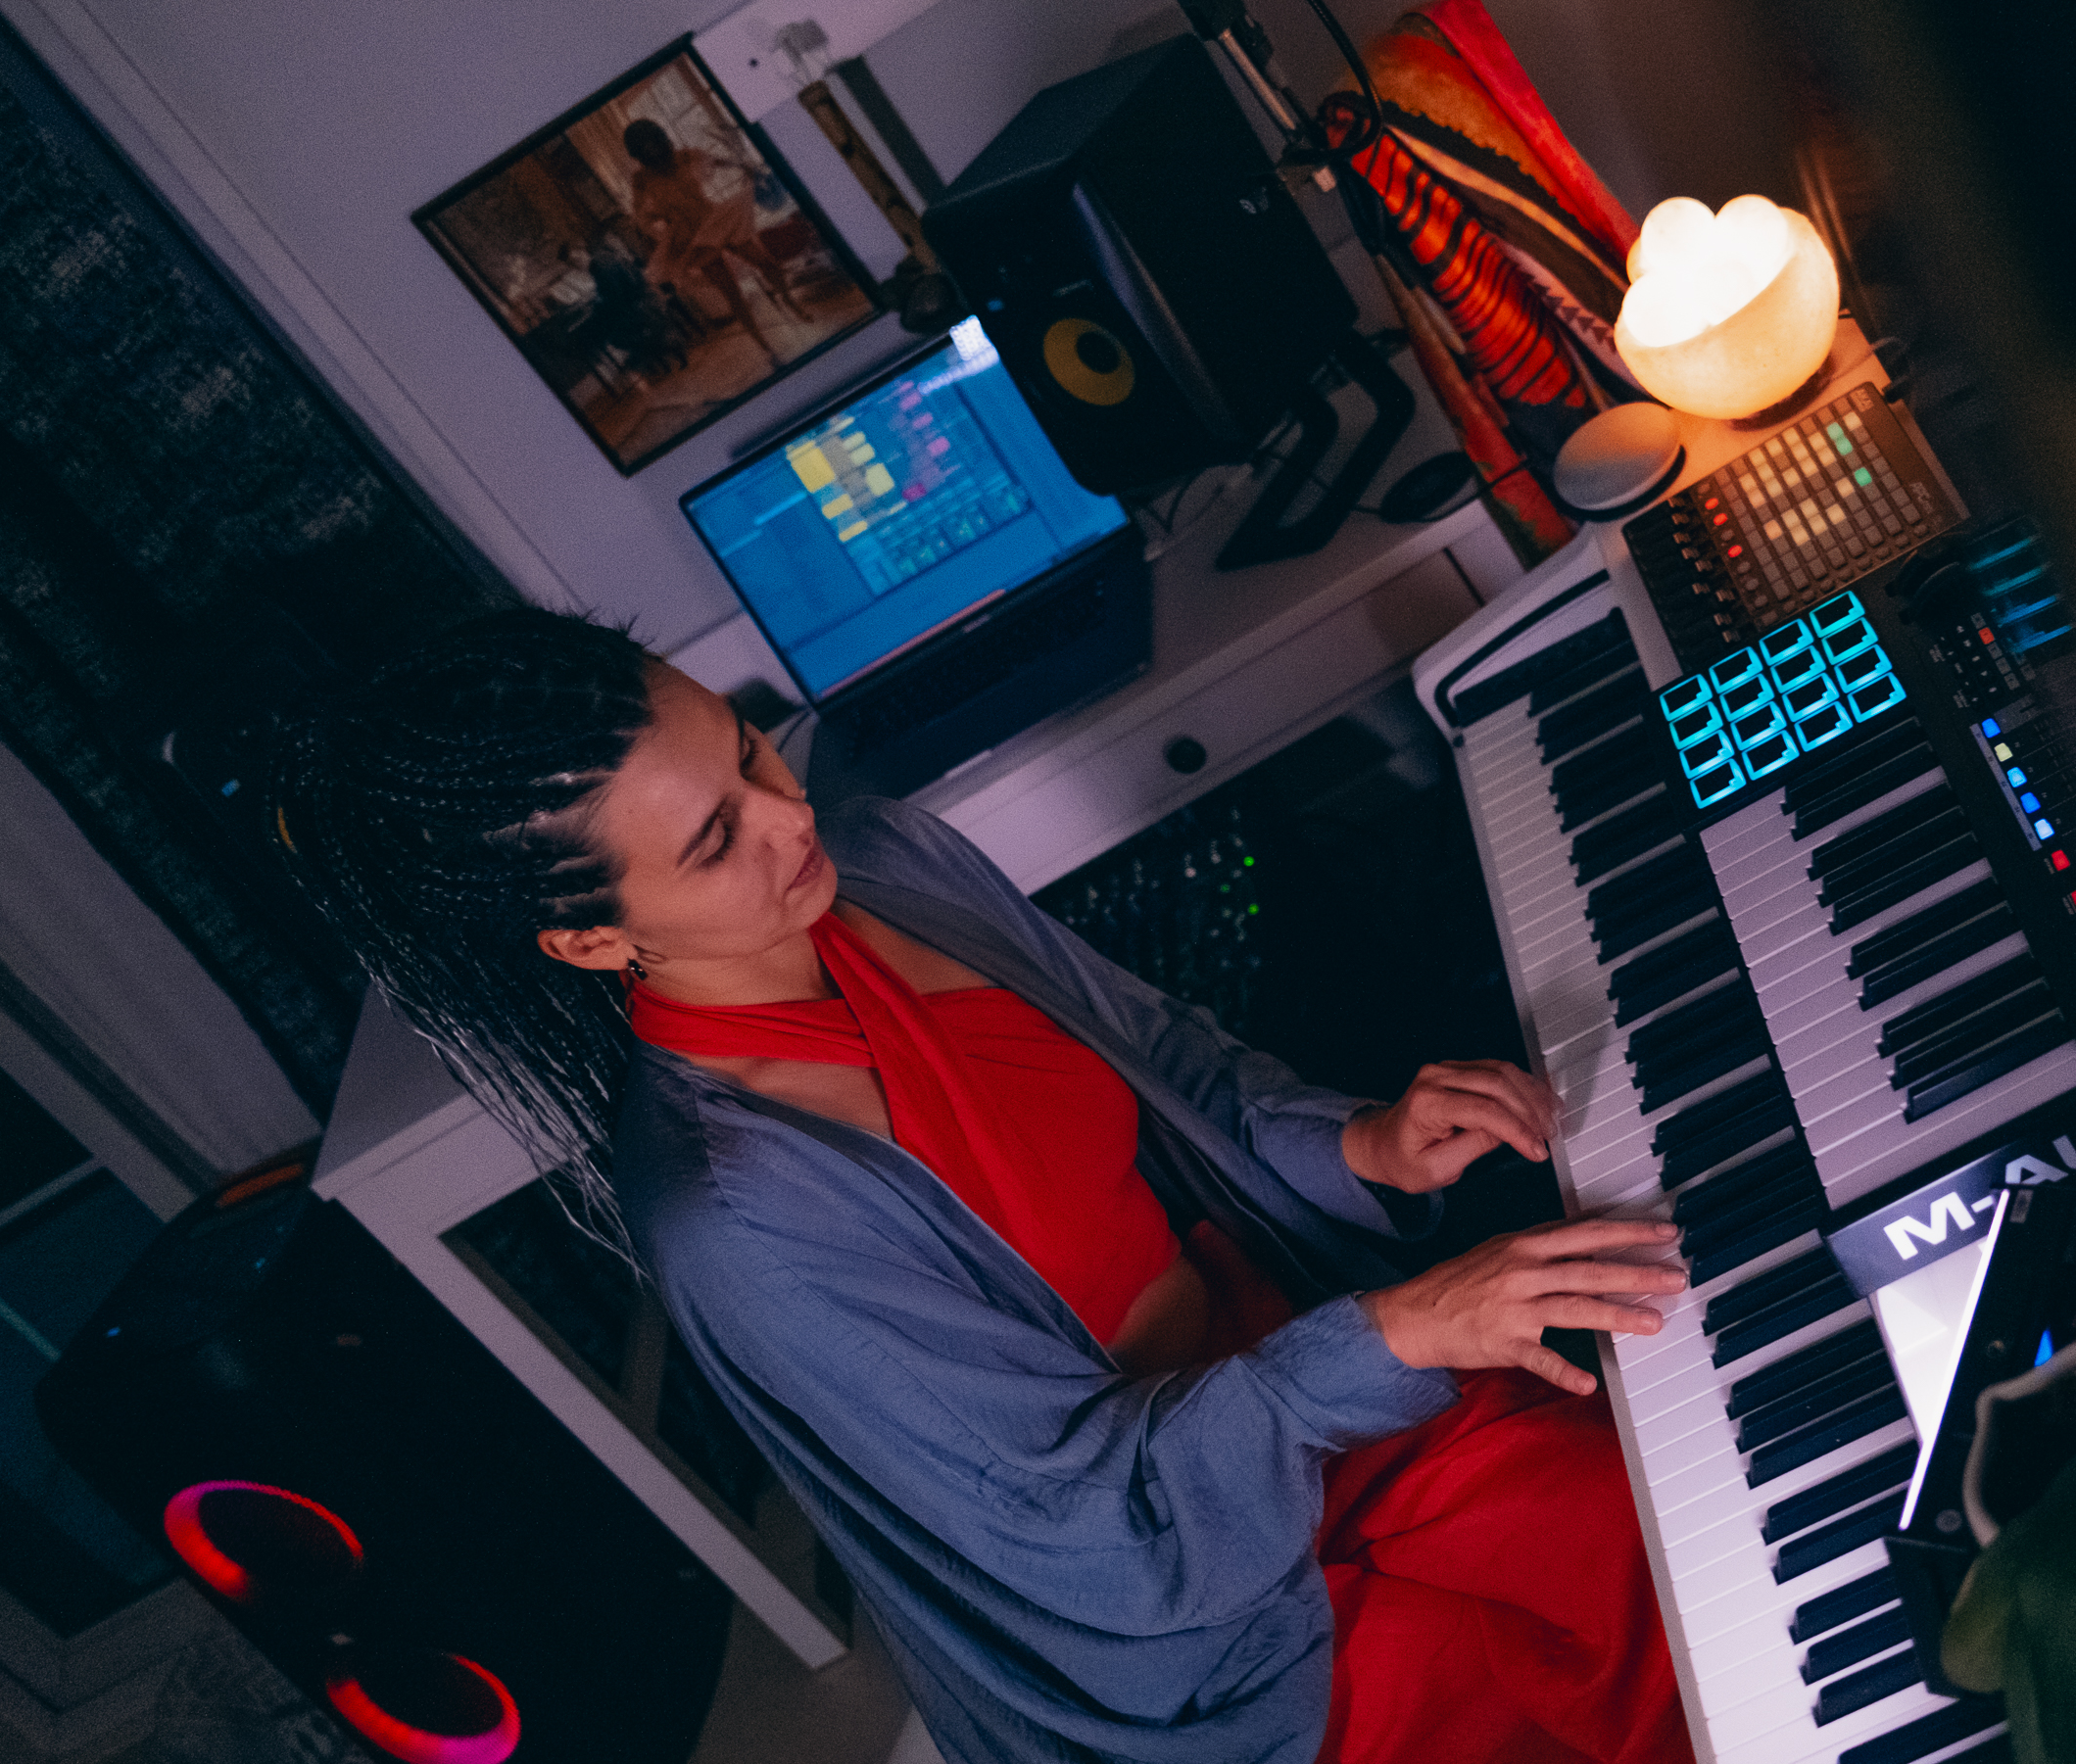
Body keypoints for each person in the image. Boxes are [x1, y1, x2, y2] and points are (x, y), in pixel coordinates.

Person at [268, 609, 1696, 1764]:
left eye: (750, 753)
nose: (787, 820)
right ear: (591, 943)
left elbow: (1166, 1063)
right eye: (713, 840)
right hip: (1207, 1619)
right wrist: (1389, 1335)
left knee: (1688, 1521)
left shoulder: (888, 859)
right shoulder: (738, 1216)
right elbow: (1081, 1534)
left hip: (1317, 1383)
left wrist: (1368, 1146)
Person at [619, 117, 801, 358]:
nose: (651, 148)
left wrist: (742, 165)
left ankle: (788, 299)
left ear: (660, 138)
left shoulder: (684, 156)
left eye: (653, 141)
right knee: (732, 293)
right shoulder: (641, 180)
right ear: (638, 152)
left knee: (767, 263)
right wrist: (661, 226)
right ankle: (765, 346)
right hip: (693, 239)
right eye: (644, 147)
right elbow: (641, 216)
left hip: (717, 220)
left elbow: (713, 160)